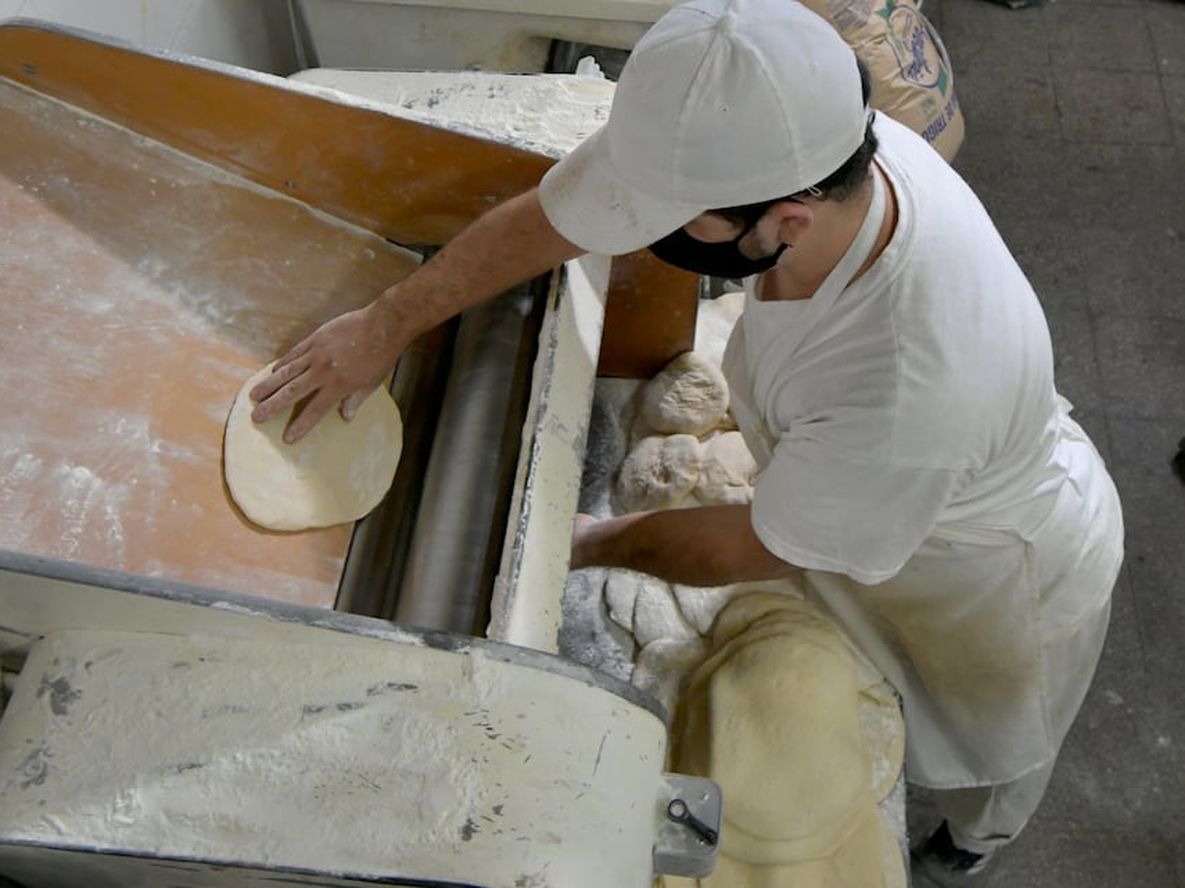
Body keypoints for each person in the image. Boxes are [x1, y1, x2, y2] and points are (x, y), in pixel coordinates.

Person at [250, 0, 1124, 883]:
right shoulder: (790, 146)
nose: (652, 230)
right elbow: (555, 218)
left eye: (682, 220)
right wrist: (387, 322)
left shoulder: (908, 383)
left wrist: (588, 541)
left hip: (987, 567)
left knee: (986, 732)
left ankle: (975, 844)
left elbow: (757, 543)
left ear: (784, 222)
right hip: (865, 475)